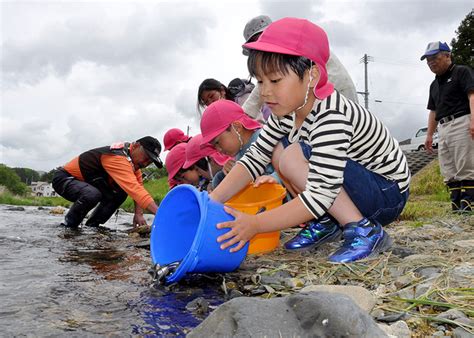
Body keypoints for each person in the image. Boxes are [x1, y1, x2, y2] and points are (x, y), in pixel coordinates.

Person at [209, 18, 410, 263]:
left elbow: (321, 192)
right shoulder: (288, 109)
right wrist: (212, 201)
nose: (264, 92)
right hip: (355, 189)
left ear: (312, 76)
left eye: (275, 81)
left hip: (387, 193)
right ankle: (327, 221)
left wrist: (256, 224)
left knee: (293, 157)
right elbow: (254, 158)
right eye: (260, 81)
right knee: (280, 155)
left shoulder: (331, 114)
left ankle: (364, 229)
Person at [241, 15, 358, 123]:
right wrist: (244, 115)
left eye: (261, 39)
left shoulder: (292, 46)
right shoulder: (276, 63)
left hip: (335, 94)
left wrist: (246, 113)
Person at [52, 136, 163, 228]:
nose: (145, 163)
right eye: (146, 157)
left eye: (150, 161)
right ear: (136, 146)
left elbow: (139, 189)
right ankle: (68, 227)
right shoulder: (117, 157)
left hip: (88, 185)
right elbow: (135, 189)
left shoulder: (134, 166)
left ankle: (93, 226)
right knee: (92, 194)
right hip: (64, 179)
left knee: (120, 193)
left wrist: (138, 214)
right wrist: (162, 215)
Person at [421, 41, 474, 213]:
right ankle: (456, 205)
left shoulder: (462, 72)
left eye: (434, 57)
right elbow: (433, 111)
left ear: (447, 55)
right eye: (428, 60)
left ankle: (469, 204)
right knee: (448, 168)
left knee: (465, 164)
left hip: (462, 120)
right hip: (442, 127)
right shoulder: (433, 85)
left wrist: (473, 120)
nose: (431, 62)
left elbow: (472, 95)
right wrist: (429, 135)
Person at [200, 99, 280, 185]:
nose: (218, 150)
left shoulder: (267, 139)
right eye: (214, 147)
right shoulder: (239, 154)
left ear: (237, 127)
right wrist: (225, 174)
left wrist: (274, 178)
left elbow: (290, 169)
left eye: (217, 142)